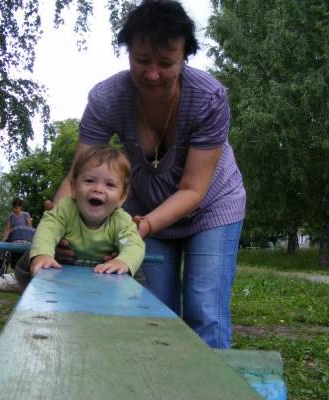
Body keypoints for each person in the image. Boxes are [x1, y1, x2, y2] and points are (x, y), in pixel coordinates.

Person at [52, 0, 246, 349]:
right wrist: (58, 230)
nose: (152, 74)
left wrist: (140, 228)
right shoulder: (107, 98)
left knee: (204, 308)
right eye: (142, 60)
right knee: (154, 310)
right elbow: (77, 177)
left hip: (211, 207)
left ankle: (210, 375)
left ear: (184, 57)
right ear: (128, 53)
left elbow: (193, 189)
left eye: (166, 63)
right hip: (144, 209)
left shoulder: (208, 98)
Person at [0, 145, 145, 292]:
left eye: (110, 184)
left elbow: (134, 244)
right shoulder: (66, 209)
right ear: (73, 188)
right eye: (89, 181)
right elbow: (48, 229)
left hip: (103, 270)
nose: (98, 189)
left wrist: (123, 261)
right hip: (61, 265)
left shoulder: (121, 220)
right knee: (34, 253)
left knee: (135, 269)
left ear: (122, 197)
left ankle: (129, 296)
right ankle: (27, 282)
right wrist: (43, 254)